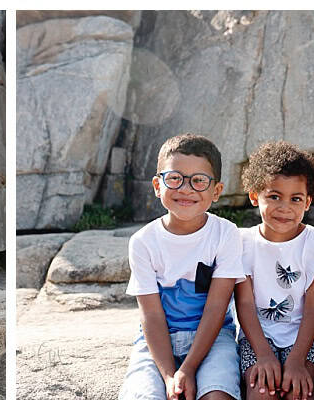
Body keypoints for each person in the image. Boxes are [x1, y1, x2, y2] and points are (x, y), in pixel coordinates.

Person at [118, 133, 246, 400]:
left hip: (213, 339)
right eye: (175, 178)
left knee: (217, 397)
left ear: (216, 191)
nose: (186, 189)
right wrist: (168, 375)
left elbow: (215, 308)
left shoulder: (225, 234)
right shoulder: (143, 242)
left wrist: (187, 369)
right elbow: (151, 316)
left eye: (199, 181)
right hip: (156, 342)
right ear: (157, 184)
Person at [233, 141, 314, 400]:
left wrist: (297, 361)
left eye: (295, 198)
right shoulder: (242, 243)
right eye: (274, 196)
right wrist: (263, 354)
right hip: (256, 338)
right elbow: (244, 303)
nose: (285, 207)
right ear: (255, 196)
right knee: (261, 390)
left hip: (304, 341)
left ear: (308, 202)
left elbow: (313, 306)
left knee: (298, 391)